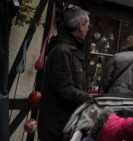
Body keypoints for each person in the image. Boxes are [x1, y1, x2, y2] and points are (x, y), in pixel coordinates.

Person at [38, 7, 92, 141]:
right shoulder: (62, 51)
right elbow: (65, 90)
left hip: (66, 122)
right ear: (80, 27)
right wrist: (91, 99)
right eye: (87, 25)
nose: (88, 29)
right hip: (57, 127)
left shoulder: (71, 49)